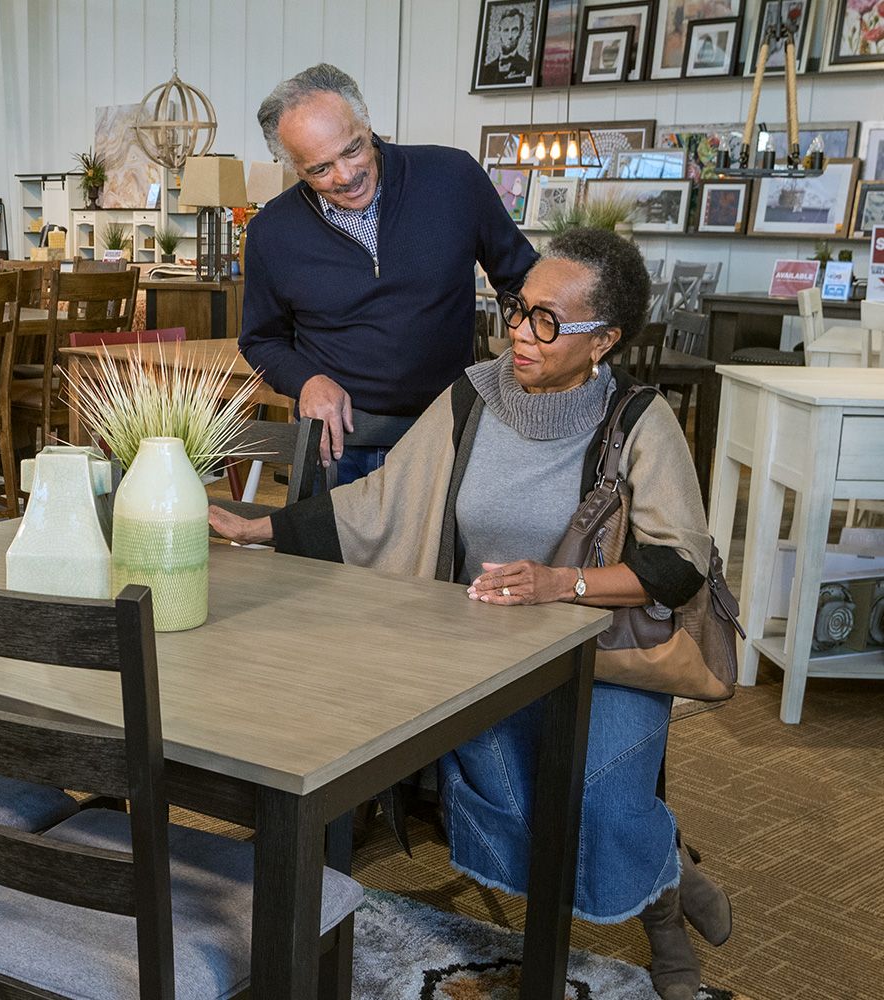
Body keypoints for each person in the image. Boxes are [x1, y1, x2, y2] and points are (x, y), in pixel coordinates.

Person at [213, 228, 732, 1000]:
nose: (520, 333)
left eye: (548, 322)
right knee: (513, 802)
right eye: (518, 310)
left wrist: (563, 585)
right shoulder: (473, 396)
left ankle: (662, 914)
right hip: (483, 656)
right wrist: (255, 528)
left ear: (606, 340)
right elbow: (381, 503)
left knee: (596, 799)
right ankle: (665, 874)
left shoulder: (637, 419)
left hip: (604, 657)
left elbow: (677, 562)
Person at [242, 63, 537, 485]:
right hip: (339, 446)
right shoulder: (272, 231)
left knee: (438, 553)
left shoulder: (453, 178)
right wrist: (306, 381)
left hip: (446, 432)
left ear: (367, 122)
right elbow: (261, 339)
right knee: (325, 554)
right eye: (320, 170)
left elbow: (523, 278)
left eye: (352, 149)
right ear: (292, 166)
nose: (346, 176)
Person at [480, 7, 532, 85]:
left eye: (514, 30)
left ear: (520, 32)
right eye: (506, 30)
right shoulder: (487, 69)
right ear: (499, 31)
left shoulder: (527, 67)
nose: (510, 36)